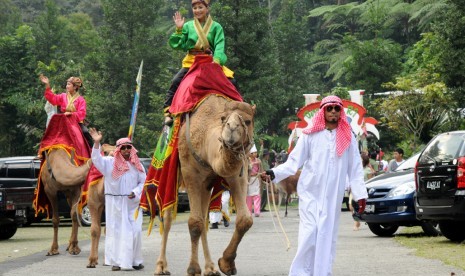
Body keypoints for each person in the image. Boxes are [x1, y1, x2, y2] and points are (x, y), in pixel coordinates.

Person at [261, 95, 368, 276]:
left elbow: (355, 168)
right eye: (329, 108)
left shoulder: (348, 136)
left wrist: (360, 194)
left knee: (326, 237)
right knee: (309, 234)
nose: (333, 111)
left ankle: (322, 273)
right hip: (310, 193)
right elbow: (294, 161)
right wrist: (274, 173)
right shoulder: (309, 134)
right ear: (323, 111)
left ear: (340, 111)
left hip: (332, 197)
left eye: (336, 108)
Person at [163, 0, 237, 125]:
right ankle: (167, 113)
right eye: (195, 8)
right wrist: (179, 29)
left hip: (210, 61)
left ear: (207, 8)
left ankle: (238, 110)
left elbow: (219, 45)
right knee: (175, 81)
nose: (197, 10)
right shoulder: (188, 26)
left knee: (232, 81)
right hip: (191, 62)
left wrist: (217, 61)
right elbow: (179, 45)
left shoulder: (216, 27)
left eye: (200, 7)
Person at [89, 128, 146, 271]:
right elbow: (96, 159)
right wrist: (96, 143)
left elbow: (143, 182)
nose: (126, 150)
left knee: (136, 231)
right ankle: (115, 261)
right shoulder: (109, 163)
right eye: (123, 148)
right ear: (119, 149)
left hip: (133, 204)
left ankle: (135, 260)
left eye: (129, 147)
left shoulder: (137, 165)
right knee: (116, 232)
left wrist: (135, 192)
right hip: (115, 204)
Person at [39, 74, 93, 148]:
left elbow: (82, 113)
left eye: (69, 84)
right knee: (49, 132)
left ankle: (91, 153)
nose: (66, 86)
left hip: (76, 122)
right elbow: (53, 99)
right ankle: (43, 153)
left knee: (85, 132)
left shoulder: (81, 100)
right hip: (63, 121)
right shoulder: (63, 96)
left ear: (75, 87)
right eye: (67, 84)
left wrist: (71, 114)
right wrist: (47, 85)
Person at [350, 153, 373, 231]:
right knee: (351, 206)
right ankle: (358, 219)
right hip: (354, 189)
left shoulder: (367, 170)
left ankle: (356, 223)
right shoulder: (355, 168)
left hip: (362, 189)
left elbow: (370, 181)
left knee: (358, 206)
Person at [247, 144, 262, 217]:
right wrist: (253, 164)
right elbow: (247, 168)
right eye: (254, 153)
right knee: (249, 196)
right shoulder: (247, 161)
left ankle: (257, 211)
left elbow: (260, 169)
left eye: (256, 152)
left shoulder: (258, 160)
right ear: (250, 154)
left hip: (256, 178)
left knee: (257, 195)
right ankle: (248, 211)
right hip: (249, 179)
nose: (255, 154)